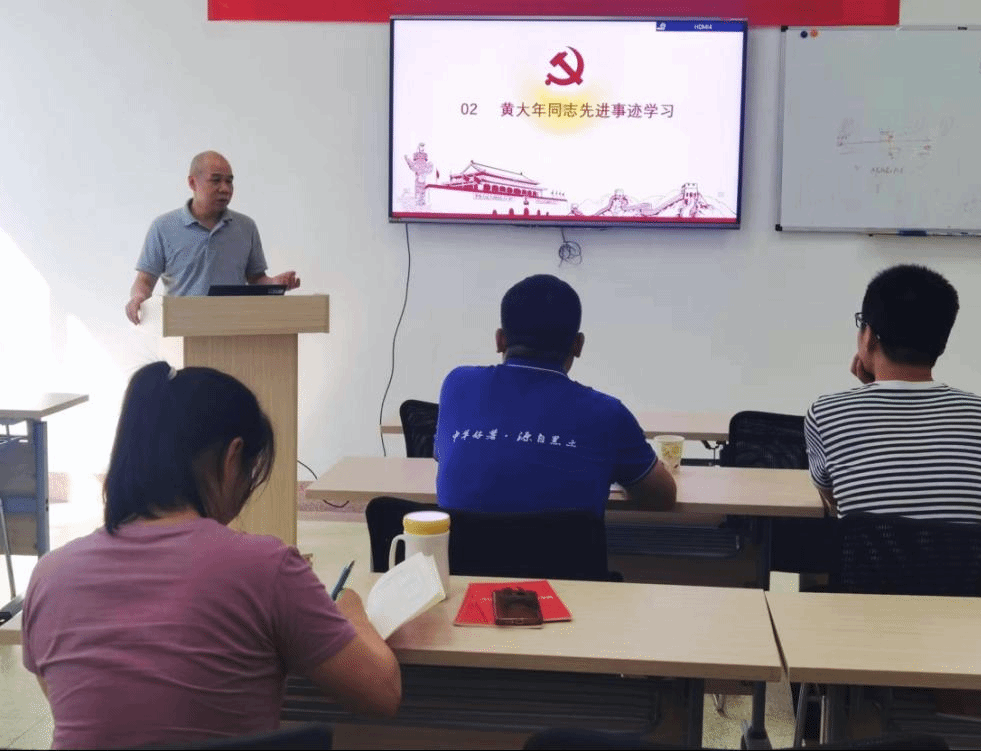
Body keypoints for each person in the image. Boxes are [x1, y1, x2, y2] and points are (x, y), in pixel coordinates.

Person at [21, 362, 400, 748]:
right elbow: (382, 693)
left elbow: (82, 709)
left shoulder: (50, 575)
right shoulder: (265, 566)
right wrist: (350, 607)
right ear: (233, 458)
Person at [435, 274, 676, 516]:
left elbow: (447, 457)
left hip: (461, 543)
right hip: (568, 543)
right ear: (578, 345)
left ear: (499, 340)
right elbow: (662, 497)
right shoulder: (608, 414)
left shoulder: (458, 385)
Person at [805, 263, 981, 521]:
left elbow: (836, 497)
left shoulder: (827, 415)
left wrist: (873, 393)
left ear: (869, 336)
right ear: (942, 343)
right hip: (965, 550)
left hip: (875, 550)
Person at [125, 151, 301, 324]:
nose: (225, 188)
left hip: (234, 328)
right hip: (181, 328)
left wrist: (273, 283)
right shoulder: (163, 227)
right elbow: (145, 281)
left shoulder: (246, 227)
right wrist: (138, 298)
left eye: (229, 181)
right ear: (192, 183)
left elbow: (256, 279)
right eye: (216, 180)